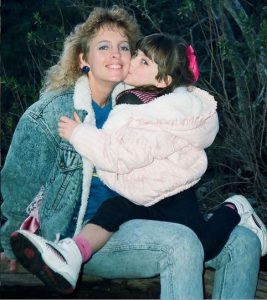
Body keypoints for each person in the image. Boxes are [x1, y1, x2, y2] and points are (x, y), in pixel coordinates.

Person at [0, 6, 263, 300]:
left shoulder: (147, 103)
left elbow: (187, 108)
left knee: (244, 241)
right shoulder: (50, 114)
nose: (117, 54)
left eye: (124, 47)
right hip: (90, 233)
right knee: (182, 243)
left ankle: (236, 215)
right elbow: (19, 183)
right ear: (83, 59)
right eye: (104, 47)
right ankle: (67, 256)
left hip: (150, 214)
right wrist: (11, 242)